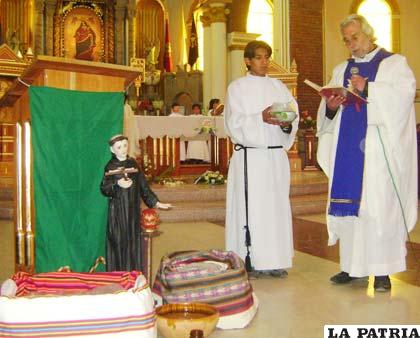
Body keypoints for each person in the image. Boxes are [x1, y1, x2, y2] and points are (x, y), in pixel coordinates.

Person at [316, 14, 417, 292]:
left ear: (369, 34)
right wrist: (333, 105)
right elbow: (328, 114)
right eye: (346, 40)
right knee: (351, 211)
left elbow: (404, 96)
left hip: (376, 152)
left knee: (377, 208)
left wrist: (368, 87)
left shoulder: (393, 64)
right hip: (348, 149)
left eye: (355, 37)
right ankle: (352, 266)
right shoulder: (341, 69)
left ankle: (382, 271)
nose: (351, 44)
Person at [224, 40, 299, 278]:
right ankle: (249, 258)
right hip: (250, 157)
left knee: (274, 208)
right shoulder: (237, 88)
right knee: (251, 210)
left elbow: (292, 115)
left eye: (267, 57)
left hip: (275, 157)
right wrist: (260, 118)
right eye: (259, 57)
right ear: (247, 60)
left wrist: (286, 123)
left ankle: (274, 259)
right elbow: (233, 123)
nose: (265, 62)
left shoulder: (279, 86)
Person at [100, 135, 171, 272]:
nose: (123, 150)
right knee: (119, 243)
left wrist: (156, 203)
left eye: (125, 145)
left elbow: (143, 187)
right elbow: (104, 188)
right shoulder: (110, 166)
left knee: (133, 244)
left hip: (133, 212)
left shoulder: (133, 164)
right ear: (112, 149)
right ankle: (119, 277)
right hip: (118, 213)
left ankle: (133, 277)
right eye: (119, 147)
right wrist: (116, 184)